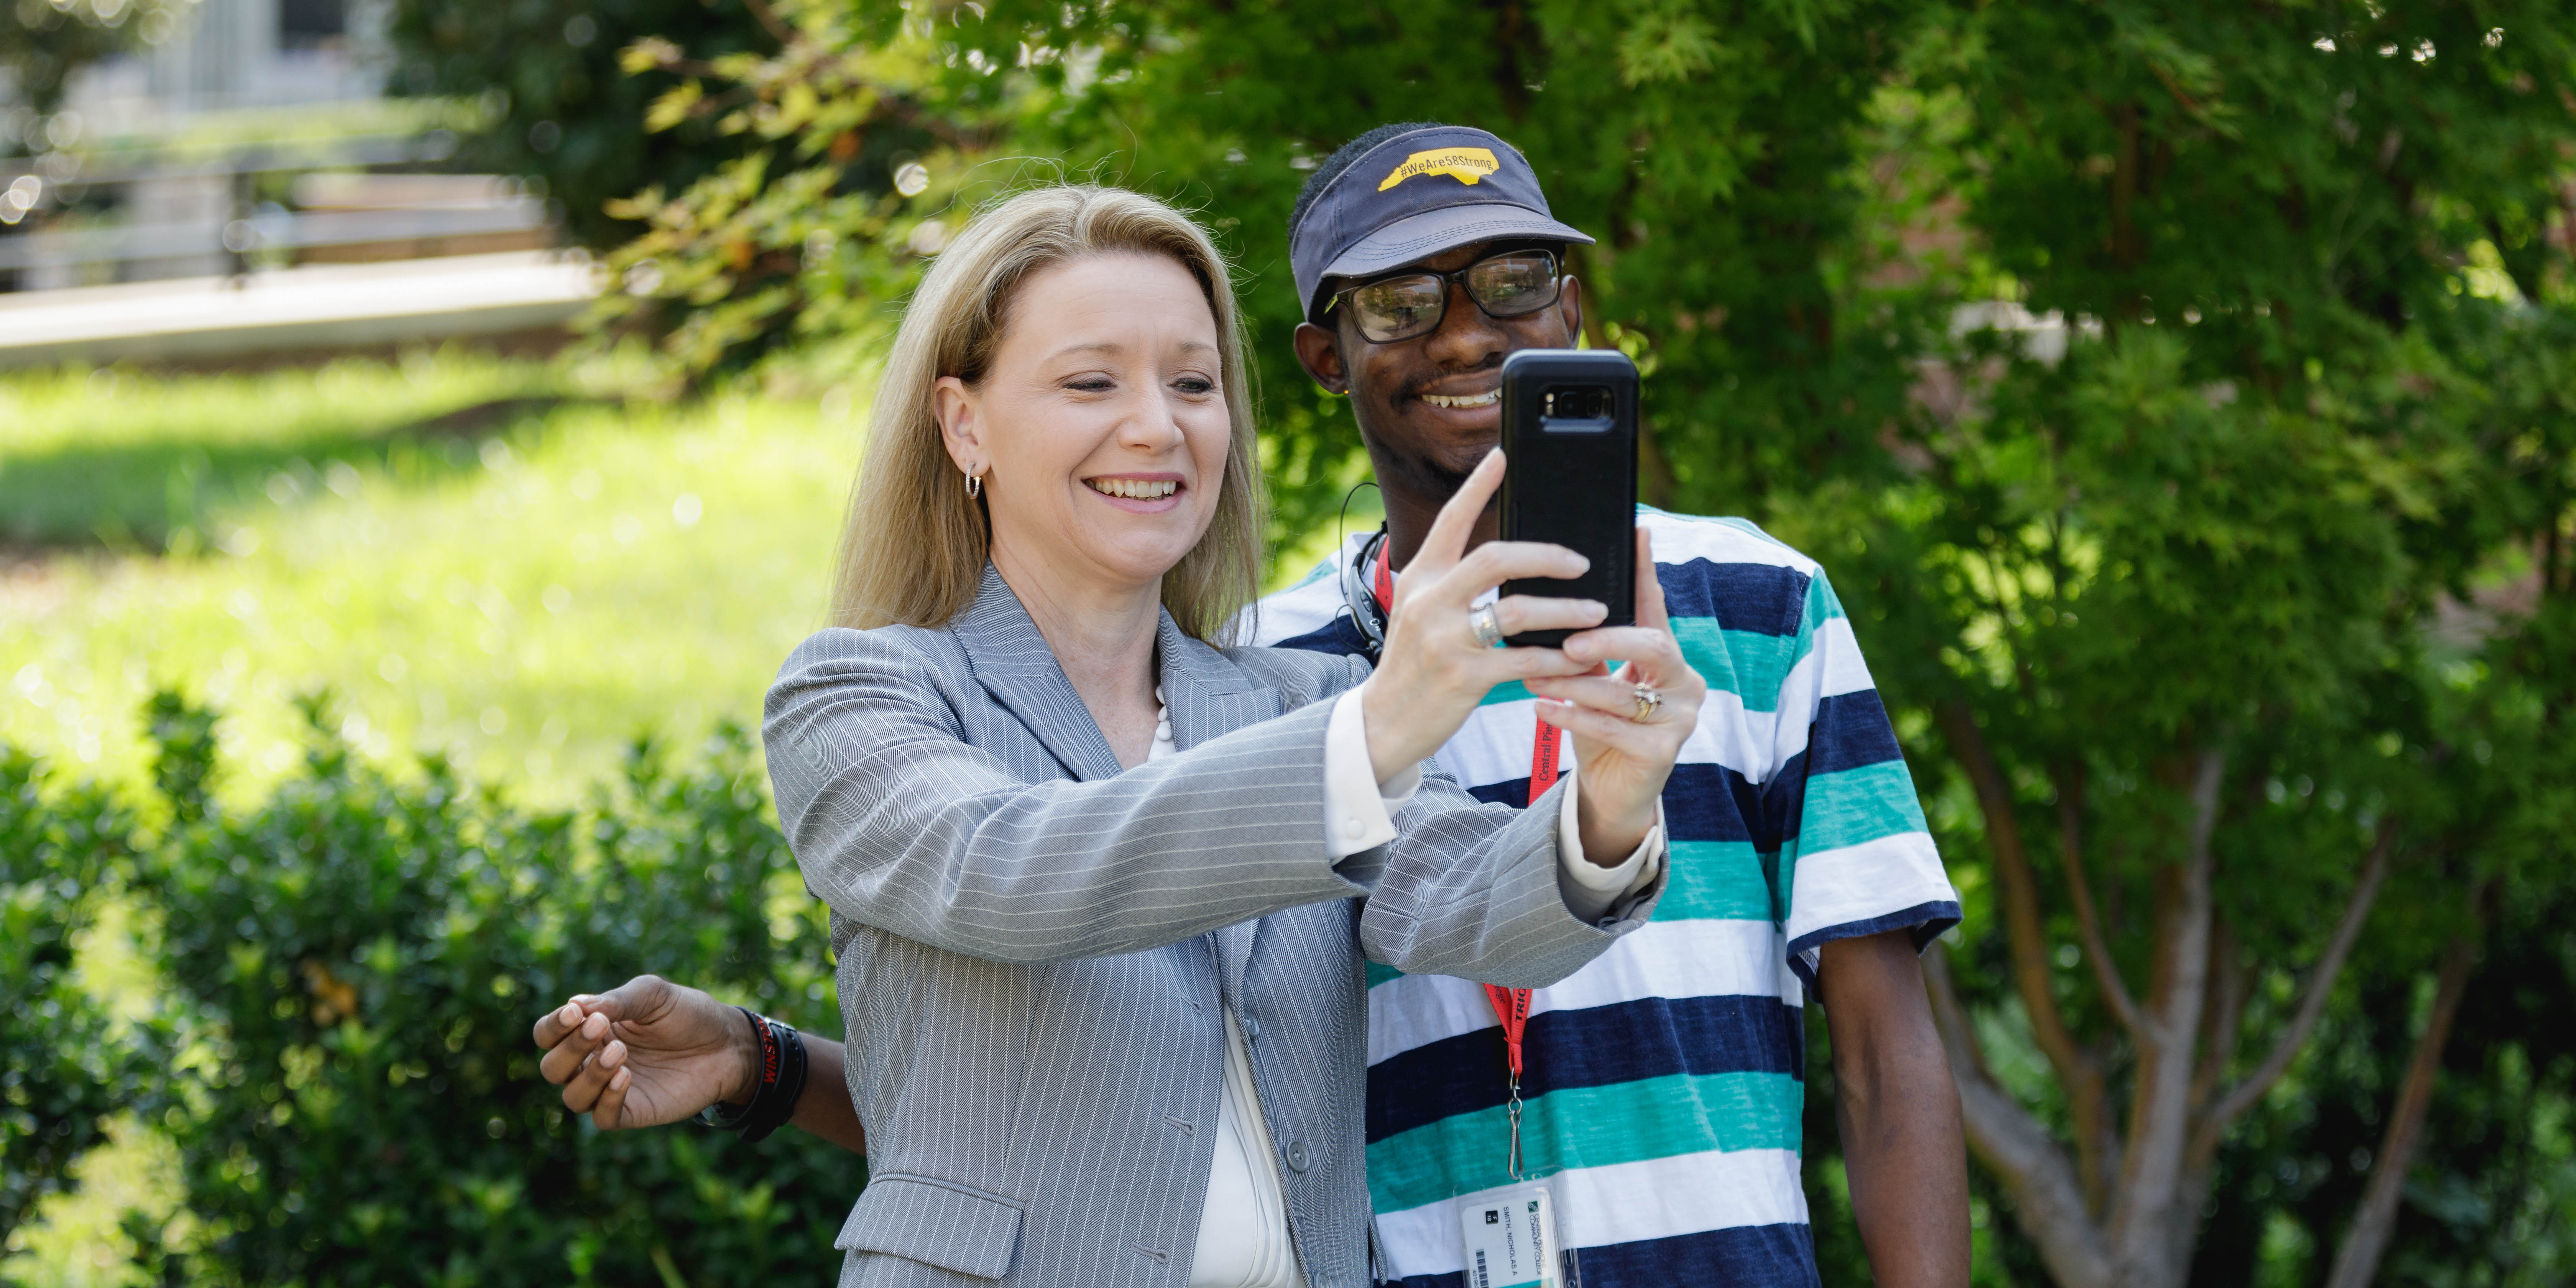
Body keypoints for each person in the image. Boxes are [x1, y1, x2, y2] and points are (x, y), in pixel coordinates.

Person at [542, 125, 1971, 1288]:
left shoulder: (1274, 691)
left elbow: (1464, 913)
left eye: (1190, 382)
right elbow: (1025, 873)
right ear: (964, 420)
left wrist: (1610, 796)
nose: (1156, 426)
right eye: (1089, 382)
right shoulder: (863, 691)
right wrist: (1383, 725)